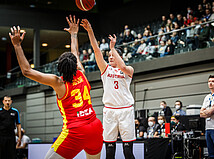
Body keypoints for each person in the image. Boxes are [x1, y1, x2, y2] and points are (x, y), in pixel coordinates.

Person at [9, 15, 103, 159]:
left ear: (60, 67)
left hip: (76, 131)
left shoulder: (58, 82)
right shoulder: (82, 73)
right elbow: (75, 53)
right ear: (75, 65)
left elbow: (26, 71)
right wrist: (73, 34)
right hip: (95, 127)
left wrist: (17, 46)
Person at [81, 19, 136, 159]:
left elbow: (122, 67)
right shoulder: (105, 69)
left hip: (126, 111)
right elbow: (96, 50)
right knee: (109, 153)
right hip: (110, 112)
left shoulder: (128, 70)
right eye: (109, 56)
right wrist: (90, 31)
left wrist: (112, 48)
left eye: (113, 56)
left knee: (128, 152)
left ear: (119, 57)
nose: (111, 57)